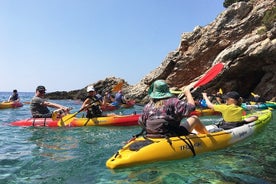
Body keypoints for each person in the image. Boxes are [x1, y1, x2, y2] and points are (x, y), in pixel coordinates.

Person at [138, 80, 209, 138]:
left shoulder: (147, 106)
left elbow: (141, 122)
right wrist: (187, 93)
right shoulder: (173, 101)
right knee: (194, 118)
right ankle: (209, 137)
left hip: (151, 135)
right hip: (171, 134)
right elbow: (191, 108)